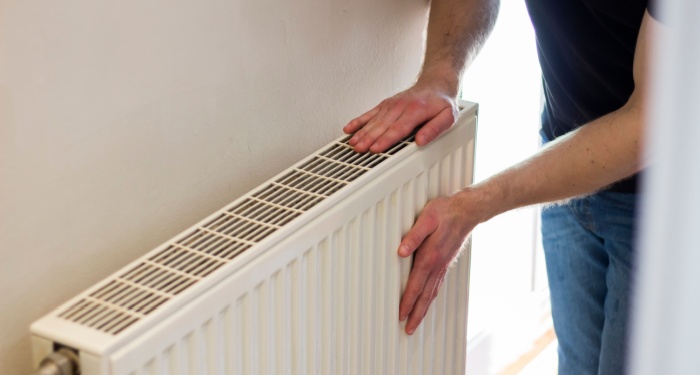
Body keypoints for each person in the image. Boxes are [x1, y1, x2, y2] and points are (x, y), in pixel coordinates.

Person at [343, 1, 662, 374]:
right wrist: (440, 75)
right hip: (567, 157)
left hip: (666, 205)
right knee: (578, 363)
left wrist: (474, 205)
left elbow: (650, 123)